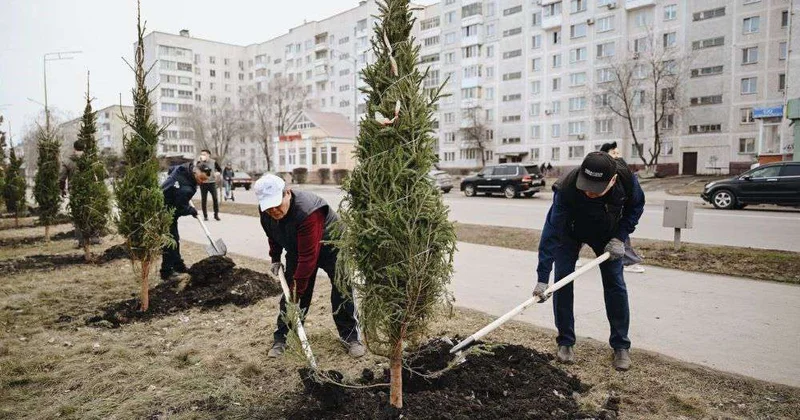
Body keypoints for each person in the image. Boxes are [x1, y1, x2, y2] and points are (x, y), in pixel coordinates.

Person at [533, 152, 645, 371]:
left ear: (612, 180)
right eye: (586, 185)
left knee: (615, 284)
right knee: (562, 281)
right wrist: (542, 278)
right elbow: (551, 232)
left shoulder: (626, 181)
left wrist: (619, 238)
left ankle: (621, 345)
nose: (588, 192)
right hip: (571, 233)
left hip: (607, 235)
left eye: (596, 188)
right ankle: (565, 342)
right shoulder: (567, 187)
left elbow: (635, 208)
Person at [255, 174, 364, 359]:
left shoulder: (308, 212)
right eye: (268, 207)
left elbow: (308, 258)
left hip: (333, 246)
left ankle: (351, 337)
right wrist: (275, 257)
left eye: (277, 204)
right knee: (291, 293)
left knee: (342, 289)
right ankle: (283, 337)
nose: (273, 210)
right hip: (299, 247)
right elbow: (273, 234)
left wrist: (297, 293)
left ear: (287, 193)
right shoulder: (266, 210)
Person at [160, 161, 212, 282]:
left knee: (174, 239)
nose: (202, 182)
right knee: (170, 241)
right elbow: (180, 208)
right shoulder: (186, 188)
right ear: (195, 172)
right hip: (163, 211)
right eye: (201, 178)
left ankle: (178, 265)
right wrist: (191, 210)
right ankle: (166, 272)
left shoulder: (183, 168)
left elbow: (172, 168)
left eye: (205, 180)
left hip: (168, 206)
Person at [600, 141, 645, 274]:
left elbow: (637, 203)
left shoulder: (625, 174)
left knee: (620, 235)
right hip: (601, 212)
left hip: (616, 213)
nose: (618, 156)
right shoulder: (598, 172)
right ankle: (573, 254)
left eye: (618, 153)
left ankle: (629, 261)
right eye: (614, 153)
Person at [59, 141, 101, 247]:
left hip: (75, 191)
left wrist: (62, 189)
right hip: (89, 190)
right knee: (91, 212)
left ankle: (80, 240)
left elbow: (62, 177)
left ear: (74, 148)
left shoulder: (67, 161)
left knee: (78, 214)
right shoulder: (89, 160)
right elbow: (95, 176)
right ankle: (95, 237)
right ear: (84, 148)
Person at [198, 149, 222, 221]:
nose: (203, 156)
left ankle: (216, 215)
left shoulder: (213, 162)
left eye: (204, 154)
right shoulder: (199, 162)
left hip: (212, 183)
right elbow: (195, 171)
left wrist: (218, 173)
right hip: (203, 183)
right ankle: (205, 216)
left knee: (215, 198)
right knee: (204, 200)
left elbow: (219, 170)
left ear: (208, 155)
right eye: (202, 154)